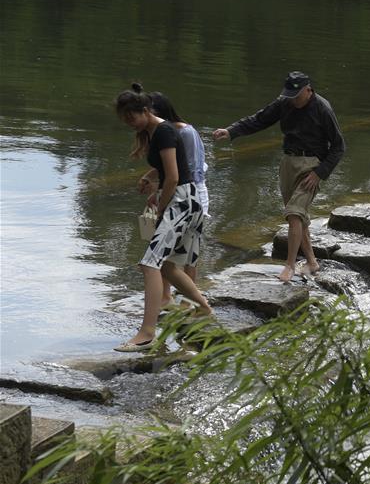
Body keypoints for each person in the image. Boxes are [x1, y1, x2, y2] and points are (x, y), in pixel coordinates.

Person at [213, 71, 346, 284]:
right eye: (289, 95)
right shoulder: (284, 102)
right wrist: (231, 131)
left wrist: (319, 174)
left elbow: (339, 147)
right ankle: (312, 262)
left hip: (311, 165)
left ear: (308, 90)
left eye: (297, 95)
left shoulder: (322, 108)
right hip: (288, 163)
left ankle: (290, 265)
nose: (292, 99)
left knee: (293, 214)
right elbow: (259, 119)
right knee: (299, 218)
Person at [115, 83, 212, 352]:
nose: (129, 123)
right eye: (125, 120)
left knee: (150, 263)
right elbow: (168, 171)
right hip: (189, 200)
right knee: (169, 266)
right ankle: (203, 308)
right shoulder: (157, 131)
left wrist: (161, 209)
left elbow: (173, 176)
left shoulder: (165, 132)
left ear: (145, 110)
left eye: (132, 117)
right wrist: (150, 179)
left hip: (182, 201)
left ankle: (147, 334)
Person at [137, 92, 210, 309]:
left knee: (187, 255)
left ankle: (190, 302)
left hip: (190, 195)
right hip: (171, 192)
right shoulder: (162, 132)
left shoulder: (183, 132)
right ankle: (166, 296)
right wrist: (153, 184)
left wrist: (162, 196)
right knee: (165, 252)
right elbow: (165, 167)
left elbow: (185, 169)